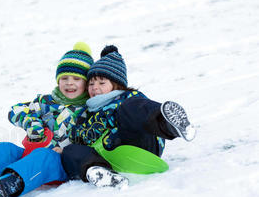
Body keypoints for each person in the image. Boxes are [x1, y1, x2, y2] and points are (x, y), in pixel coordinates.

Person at [0, 42, 94, 197]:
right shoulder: (45, 101)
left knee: (44, 156)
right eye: (64, 78)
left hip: (58, 164)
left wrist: (67, 151)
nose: (69, 82)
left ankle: (7, 184)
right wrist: (31, 123)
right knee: (3, 148)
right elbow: (17, 110)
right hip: (31, 153)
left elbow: (90, 139)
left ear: (86, 83)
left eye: (77, 78)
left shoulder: (88, 110)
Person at [61, 45, 196, 187]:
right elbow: (79, 135)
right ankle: (99, 173)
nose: (95, 87)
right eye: (91, 83)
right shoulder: (88, 112)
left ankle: (169, 124)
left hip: (140, 142)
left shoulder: (127, 98)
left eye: (102, 83)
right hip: (111, 158)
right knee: (70, 151)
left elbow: (139, 111)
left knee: (128, 109)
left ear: (116, 85)